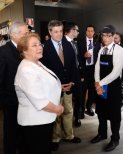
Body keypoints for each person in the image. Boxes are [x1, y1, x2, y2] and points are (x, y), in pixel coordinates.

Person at [15, 32, 64, 154]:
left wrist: (60, 87)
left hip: (43, 120)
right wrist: (58, 109)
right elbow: (40, 102)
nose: (40, 47)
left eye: (39, 44)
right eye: (34, 45)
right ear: (24, 51)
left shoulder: (36, 63)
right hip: (35, 123)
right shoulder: (26, 70)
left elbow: (43, 83)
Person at [40, 20, 81, 151]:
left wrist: (73, 82)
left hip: (69, 86)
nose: (59, 34)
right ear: (50, 32)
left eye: (61, 31)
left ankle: (69, 135)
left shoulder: (68, 45)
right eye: (56, 31)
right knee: (56, 114)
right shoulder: (44, 48)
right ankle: (55, 138)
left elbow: (73, 66)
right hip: (53, 89)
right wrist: (58, 86)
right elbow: (44, 71)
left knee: (69, 111)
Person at [91, 25, 123, 152]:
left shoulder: (119, 51)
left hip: (113, 87)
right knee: (101, 112)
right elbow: (97, 68)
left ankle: (115, 139)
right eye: (103, 35)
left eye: (108, 35)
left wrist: (100, 84)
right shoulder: (102, 50)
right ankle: (102, 134)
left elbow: (116, 72)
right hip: (100, 85)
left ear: (113, 36)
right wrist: (96, 83)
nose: (105, 38)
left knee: (114, 115)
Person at [0, 21, 29, 154]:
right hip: (11, 103)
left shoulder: (27, 49)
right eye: (25, 33)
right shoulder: (3, 52)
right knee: (10, 135)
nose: (28, 35)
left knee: (24, 134)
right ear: (14, 35)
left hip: (27, 101)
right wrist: (5, 102)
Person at [77, 24, 100, 117]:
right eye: (88, 31)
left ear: (94, 33)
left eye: (92, 31)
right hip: (84, 70)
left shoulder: (97, 43)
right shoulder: (80, 42)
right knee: (83, 91)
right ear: (86, 32)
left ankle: (89, 107)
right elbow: (76, 56)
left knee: (92, 90)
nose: (90, 32)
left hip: (93, 70)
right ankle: (81, 110)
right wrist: (83, 55)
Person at [64, 21, 83, 127]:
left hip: (77, 75)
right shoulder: (62, 43)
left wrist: (82, 74)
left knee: (79, 97)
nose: (78, 32)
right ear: (71, 31)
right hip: (67, 77)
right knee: (66, 100)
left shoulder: (75, 43)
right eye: (77, 30)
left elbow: (78, 60)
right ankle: (66, 123)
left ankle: (77, 117)